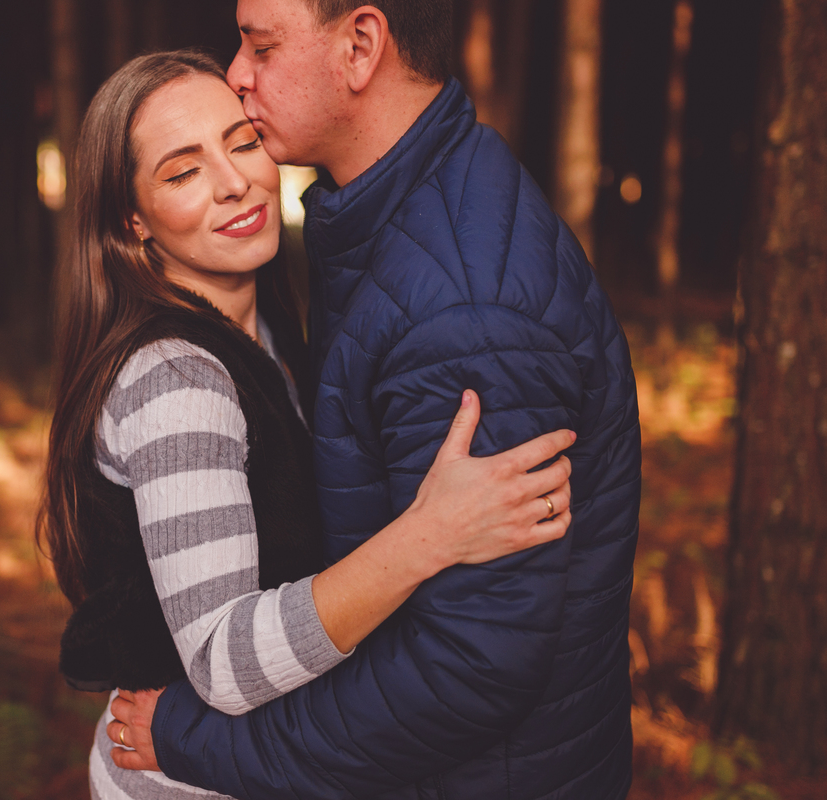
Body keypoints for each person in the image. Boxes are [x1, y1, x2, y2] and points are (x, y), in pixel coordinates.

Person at [108, 2, 641, 799]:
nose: (238, 72)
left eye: (260, 43)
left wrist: (195, 742)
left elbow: (468, 665)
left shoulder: (462, 309)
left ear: (360, 46)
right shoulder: (395, 220)